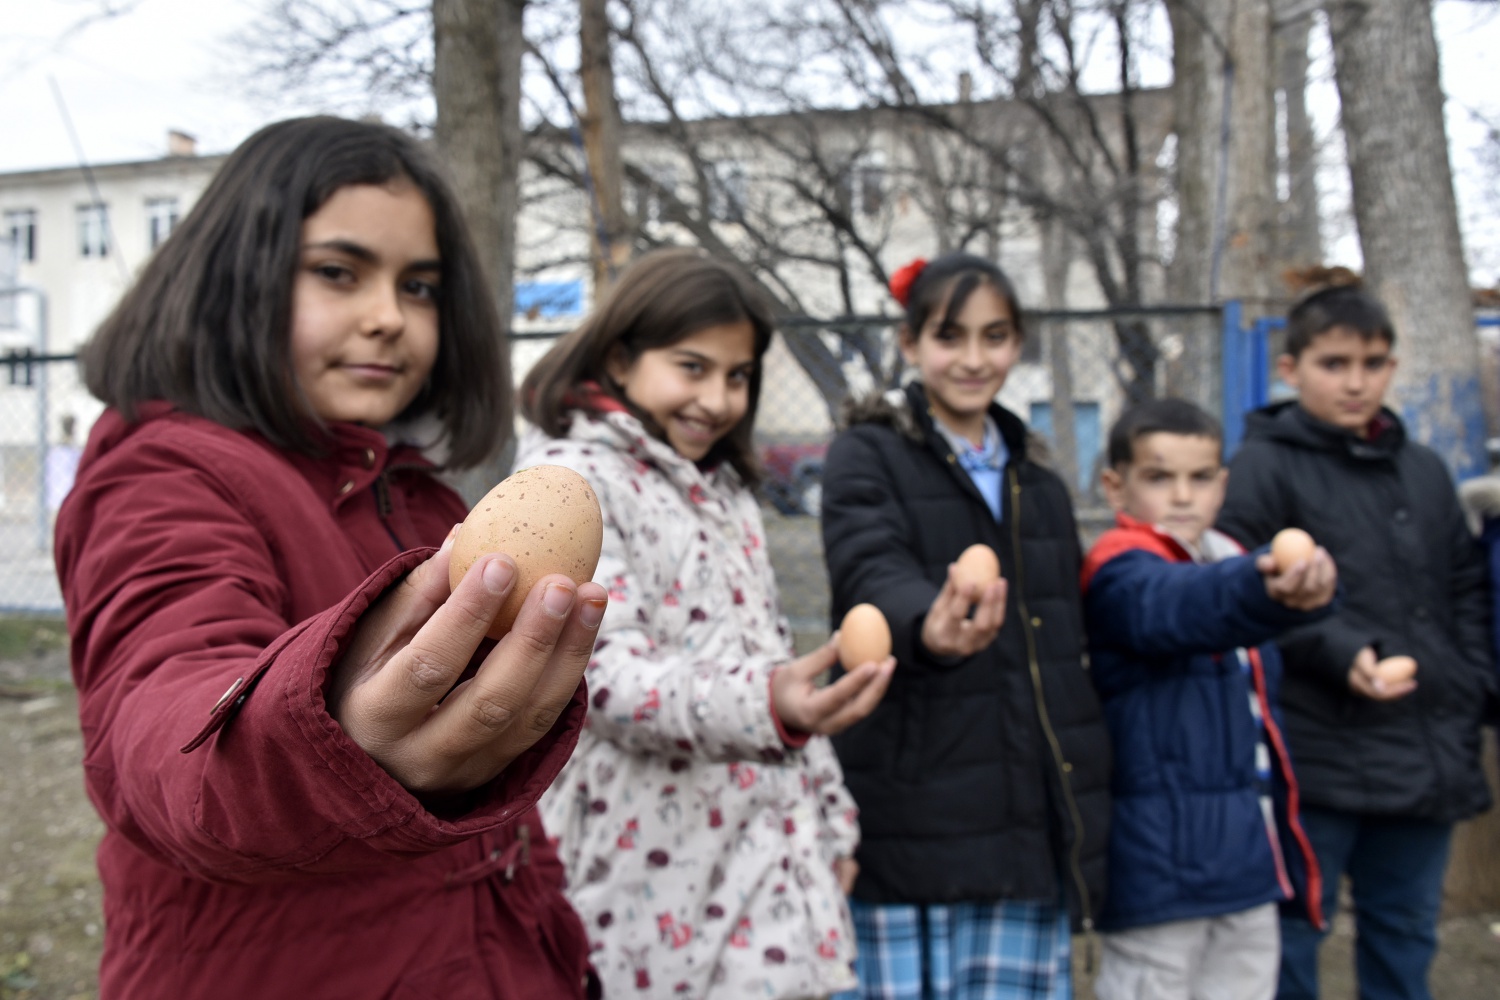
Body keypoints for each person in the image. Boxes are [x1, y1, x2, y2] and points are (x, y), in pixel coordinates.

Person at [53, 116, 609, 999]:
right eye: (338, 272)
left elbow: (496, 836)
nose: (389, 317)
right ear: (235, 276)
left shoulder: (417, 491)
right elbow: (159, 708)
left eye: (419, 286)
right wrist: (323, 736)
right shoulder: (162, 476)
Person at [514, 247, 894, 998]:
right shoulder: (573, 481)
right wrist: (770, 703)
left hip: (770, 860)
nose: (718, 399)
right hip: (646, 877)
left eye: (738, 375)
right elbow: (604, 678)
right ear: (620, 359)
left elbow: (769, 658)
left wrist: (830, 822)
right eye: (692, 367)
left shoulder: (726, 493)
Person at [821, 253, 1111, 1000]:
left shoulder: (1040, 483)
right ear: (912, 343)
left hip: (1019, 816)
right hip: (909, 809)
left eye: (996, 336)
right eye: (951, 337)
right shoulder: (868, 454)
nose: (976, 359)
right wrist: (928, 625)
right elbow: (868, 569)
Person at [1215, 274, 1497, 1000]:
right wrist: (1346, 655)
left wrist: (1466, 682)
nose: (1355, 383)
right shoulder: (1262, 468)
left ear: (1393, 368)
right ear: (1292, 368)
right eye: (1334, 365)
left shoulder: (1423, 468)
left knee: (1406, 935)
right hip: (1315, 753)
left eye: (1372, 365)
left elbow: (1462, 588)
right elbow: (1245, 595)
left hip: (1422, 744)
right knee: (1295, 938)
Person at [1082, 398, 1337, 1000]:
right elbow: (1176, 606)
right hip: (1158, 876)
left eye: (1199, 478)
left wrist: (1308, 583)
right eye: (1159, 477)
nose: (1181, 496)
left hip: (1244, 866)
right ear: (1116, 486)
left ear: (1222, 485)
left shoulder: (1228, 558)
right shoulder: (1120, 568)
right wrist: (1263, 588)